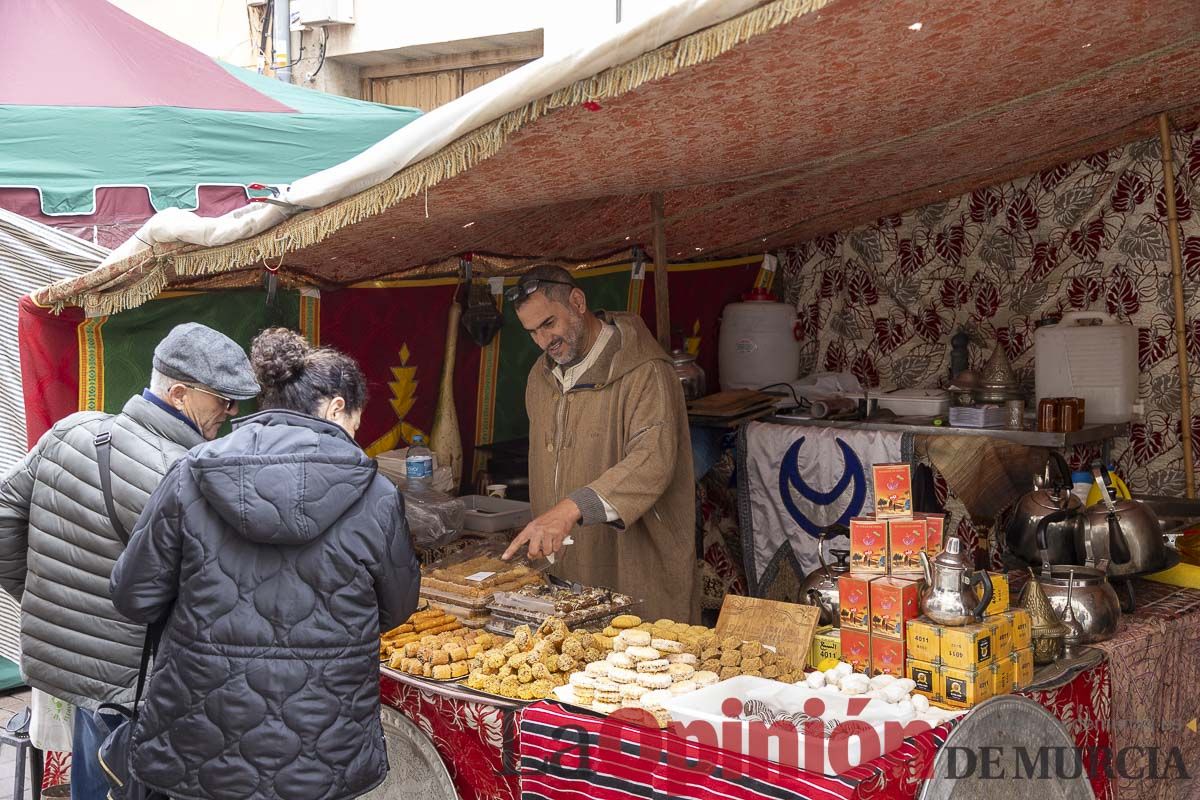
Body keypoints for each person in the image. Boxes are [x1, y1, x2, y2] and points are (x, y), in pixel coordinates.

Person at [110, 327, 420, 800]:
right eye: (357, 421)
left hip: (201, 736)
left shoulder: (190, 474)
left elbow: (133, 597)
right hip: (324, 740)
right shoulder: (376, 495)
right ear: (337, 408)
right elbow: (396, 608)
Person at [0, 322, 258, 800]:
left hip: (82, 677)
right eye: (222, 399)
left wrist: (42, 598)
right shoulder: (190, 477)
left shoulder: (71, 431)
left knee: (93, 780)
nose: (231, 410)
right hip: (143, 688)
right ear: (179, 394)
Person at [503, 265, 700, 623]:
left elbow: (652, 461)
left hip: (637, 566)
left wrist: (569, 509)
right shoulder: (539, 376)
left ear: (577, 302)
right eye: (532, 332)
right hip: (571, 573)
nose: (544, 341)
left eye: (549, 324)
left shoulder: (646, 372)